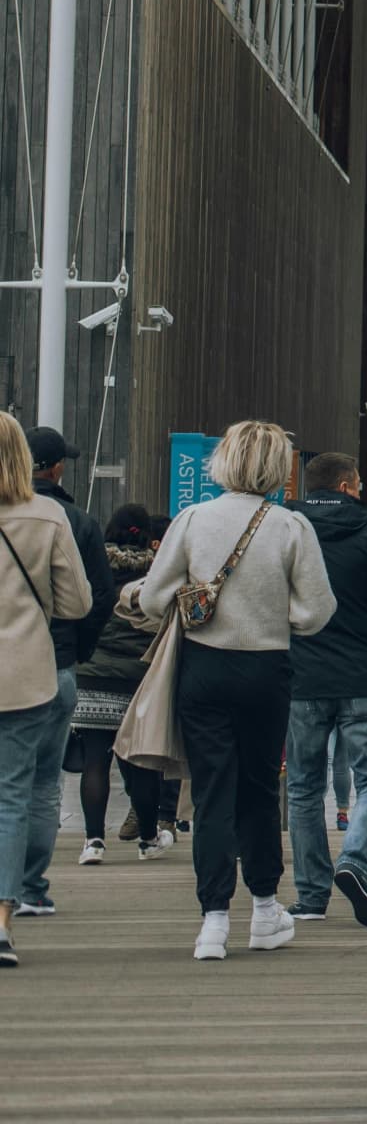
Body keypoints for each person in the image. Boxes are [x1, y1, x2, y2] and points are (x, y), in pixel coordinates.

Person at [130, 419, 332, 958]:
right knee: (261, 789)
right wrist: (273, 613)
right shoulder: (291, 527)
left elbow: (152, 599)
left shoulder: (193, 519)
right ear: (277, 468)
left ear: (223, 461)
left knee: (212, 791)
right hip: (267, 669)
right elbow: (316, 611)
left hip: (204, 667)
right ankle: (265, 909)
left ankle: (213, 922)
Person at [284, 450, 367, 935]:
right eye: (359, 484)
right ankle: (355, 862)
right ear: (344, 486)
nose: (362, 492)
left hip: (301, 677)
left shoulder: (287, 533)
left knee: (303, 788)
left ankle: (311, 897)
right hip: (364, 676)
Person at [0, 412, 94, 971]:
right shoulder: (47, 516)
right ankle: (3, 919)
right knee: (12, 795)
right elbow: (78, 603)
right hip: (24, 675)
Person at [66, 505, 176, 862]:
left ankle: (93, 842)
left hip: (93, 674)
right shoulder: (158, 574)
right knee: (139, 762)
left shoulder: (93, 567)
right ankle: (148, 839)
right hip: (139, 680)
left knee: (95, 760)